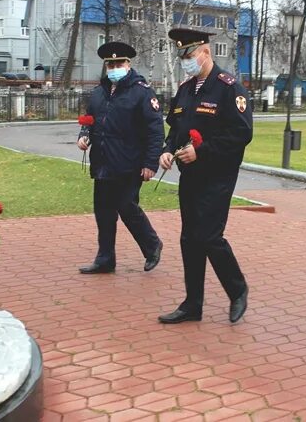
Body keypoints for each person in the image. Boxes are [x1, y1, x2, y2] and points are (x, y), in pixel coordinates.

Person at [157, 27, 251, 324]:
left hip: (217, 175)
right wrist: (166, 149)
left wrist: (203, 151)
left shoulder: (228, 87)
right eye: (182, 55)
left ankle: (237, 290)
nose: (186, 60)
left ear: (205, 52)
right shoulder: (186, 89)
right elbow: (176, 128)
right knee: (189, 238)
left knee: (209, 236)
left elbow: (241, 133)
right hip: (191, 175)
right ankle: (192, 304)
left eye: (189, 54)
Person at [77, 41, 164, 274]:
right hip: (103, 162)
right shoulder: (99, 92)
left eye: (119, 63)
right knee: (103, 212)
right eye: (110, 64)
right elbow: (90, 120)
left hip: (129, 163)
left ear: (128, 64)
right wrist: (84, 135)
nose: (114, 67)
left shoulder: (141, 92)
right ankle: (105, 259)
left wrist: (150, 163)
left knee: (127, 207)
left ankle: (152, 245)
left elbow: (155, 129)